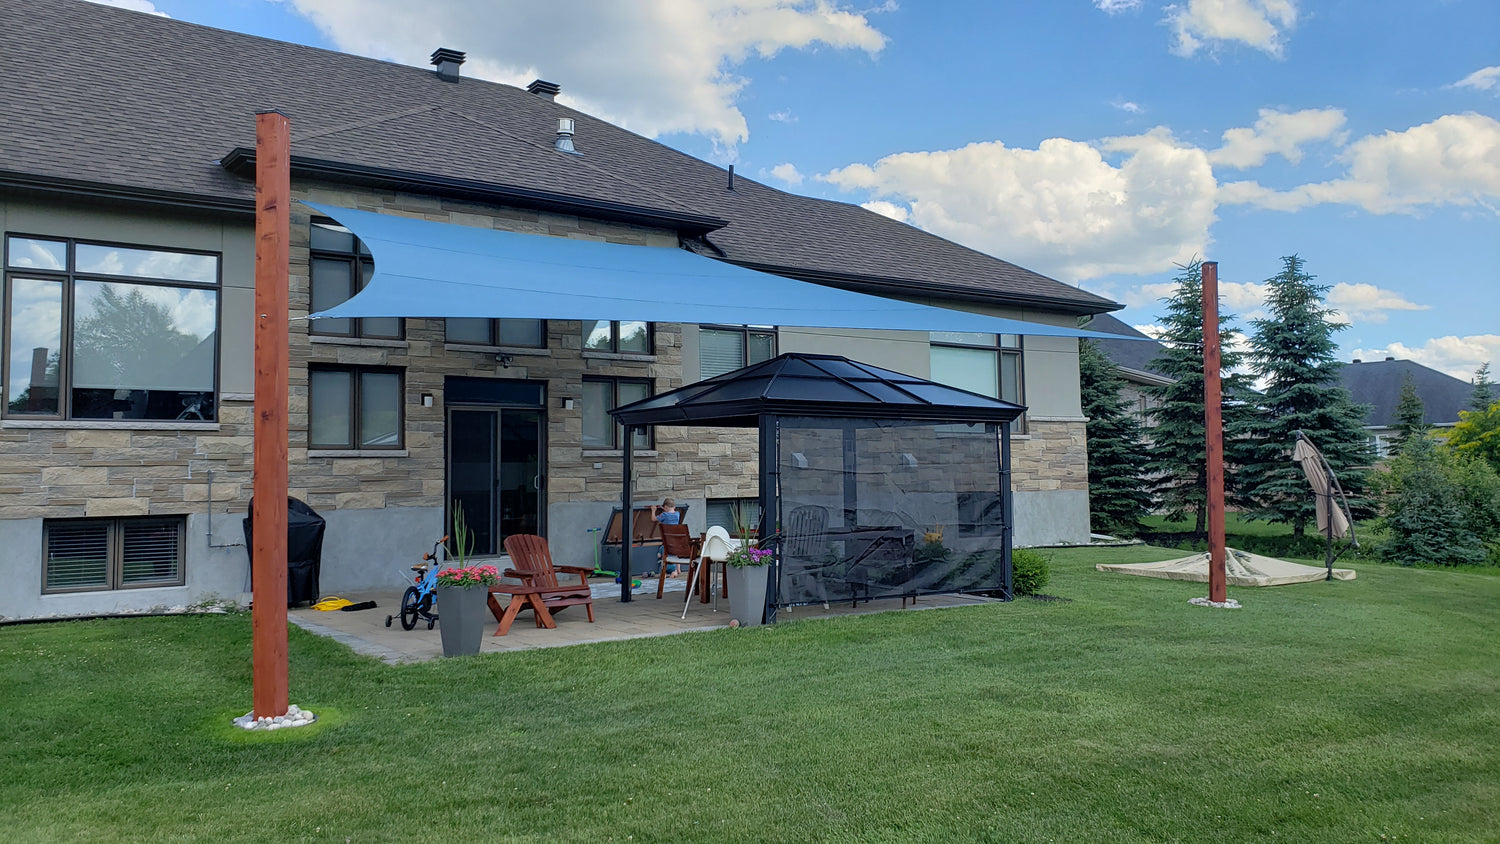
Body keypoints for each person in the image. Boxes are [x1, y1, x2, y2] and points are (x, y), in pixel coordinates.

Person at [651, 498, 682, 576]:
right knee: (676, 553)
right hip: (675, 538)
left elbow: (653, 519)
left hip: (667, 539)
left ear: (666, 507)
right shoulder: (677, 514)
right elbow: (672, 511)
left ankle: (664, 571)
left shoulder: (664, 515)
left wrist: (653, 510)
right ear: (674, 506)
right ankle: (678, 570)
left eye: (664, 508)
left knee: (666, 552)